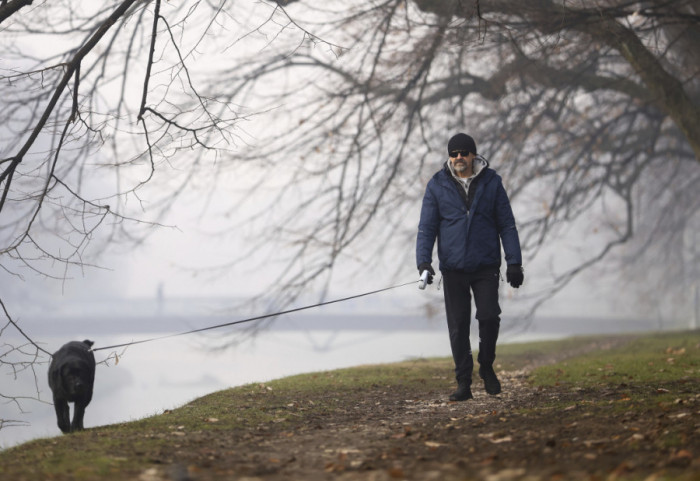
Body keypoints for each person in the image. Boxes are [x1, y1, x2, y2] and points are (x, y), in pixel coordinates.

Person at [416, 133, 524, 401]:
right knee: (458, 326)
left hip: (486, 264)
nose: (459, 158)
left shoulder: (492, 182)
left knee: (489, 316)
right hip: (452, 269)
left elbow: (507, 225)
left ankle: (486, 366)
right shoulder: (437, 185)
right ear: (449, 157)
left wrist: (514, 262)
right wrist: (424, 262)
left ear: (474, 155)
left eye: (464, 152)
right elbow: (426, 228)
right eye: (454, 153)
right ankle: (463, 382)